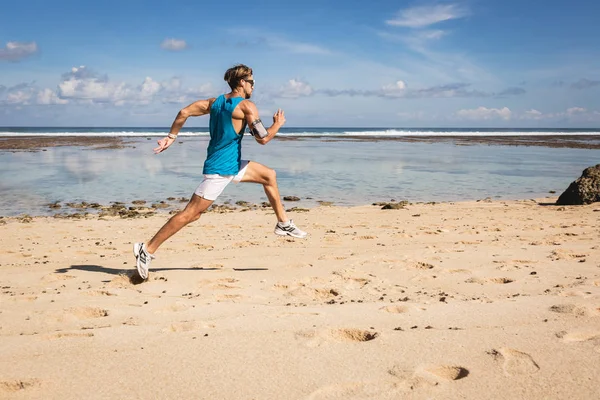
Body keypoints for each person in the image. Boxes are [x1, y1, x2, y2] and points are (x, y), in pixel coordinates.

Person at [133, 64, 307, 280]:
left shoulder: (213, 103)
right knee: (191, 214)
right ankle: (147, 249)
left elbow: (183, 112)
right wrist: (278, 124)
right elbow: (263, 139)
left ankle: (283, 224)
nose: (254, 86)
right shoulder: (246, 106)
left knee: (268, 175)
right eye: (252, 82)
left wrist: (172, 136)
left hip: (231, 164)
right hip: (221, 169)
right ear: (242, 82)